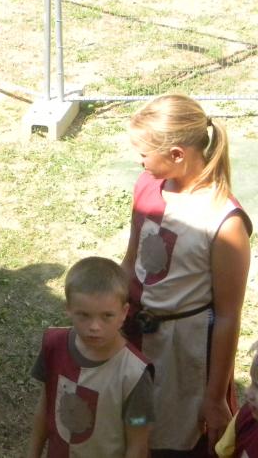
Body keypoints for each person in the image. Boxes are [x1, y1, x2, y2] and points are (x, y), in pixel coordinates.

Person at [123, 94, 251, 455]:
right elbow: (130, 262)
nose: (139, 161)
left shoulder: (224, 222)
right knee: (131, 430)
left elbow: (227, 316)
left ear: (177, 154)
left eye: (144, 154)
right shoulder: (146, 185)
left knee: (177, 439)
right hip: (134, 336)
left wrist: (214, 397)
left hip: (185, 354)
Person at [27, 256, 154, 457]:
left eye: (107, 316)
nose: (94, 327)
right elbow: (45, 406)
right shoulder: (54, 345)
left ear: (124, 313)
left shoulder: (134, 374)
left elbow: (137, 443)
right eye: (84, 315)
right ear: (68, 309)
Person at [215, 345, 258, 457]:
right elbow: (223, 452)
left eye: (257, 386)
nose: (247, 392)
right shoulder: (244, 416)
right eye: (252, 382)